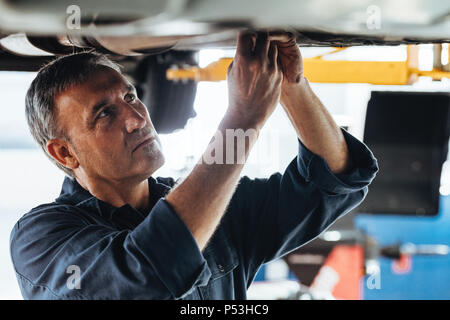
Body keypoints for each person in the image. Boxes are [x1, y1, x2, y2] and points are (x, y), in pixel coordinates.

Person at [10, 31, 378, 299]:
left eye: (130, 96)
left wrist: (290, 84)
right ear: (64, 153)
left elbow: (334, 177)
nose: (136, 118)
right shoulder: (43, 241)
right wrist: (242, 120)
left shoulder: (213, 206)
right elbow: (149, 271)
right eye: (105, 113)